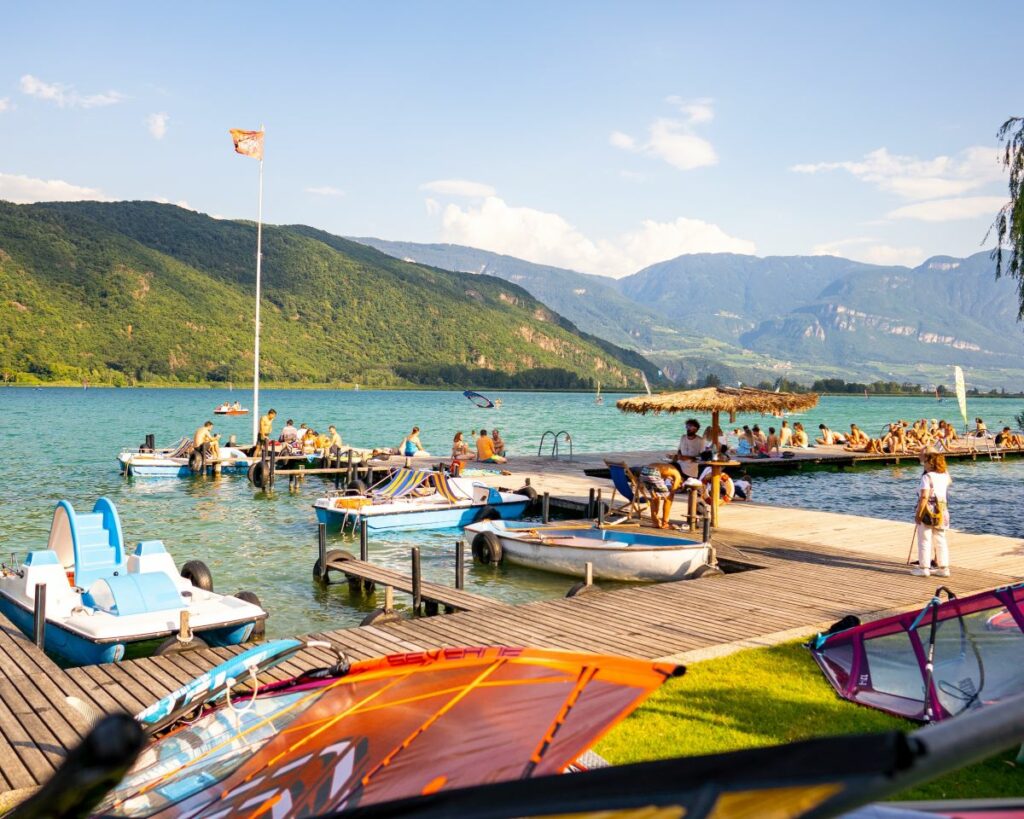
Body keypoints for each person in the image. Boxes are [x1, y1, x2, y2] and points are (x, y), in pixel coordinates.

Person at [913, 449, 952, 577]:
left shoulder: (927, 477)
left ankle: (924, 568)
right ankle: (943, 568)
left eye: (926, 462)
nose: (924, 464)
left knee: (924, 538)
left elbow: (924, 496)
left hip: (928, 509)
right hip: (942, 509)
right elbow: (948, 481)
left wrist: (918, 514)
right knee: (940, 539)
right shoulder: (945, 476)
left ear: (931, 463)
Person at [638, 462, 682, 529]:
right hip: (654, 472)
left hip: (644, 471)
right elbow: (673, 490)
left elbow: (660, 481)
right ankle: (665, 523)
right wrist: (675, 487)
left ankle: (655, 522)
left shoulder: (666, 468)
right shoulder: (678, 474)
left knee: (655, 497)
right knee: (668, 498)